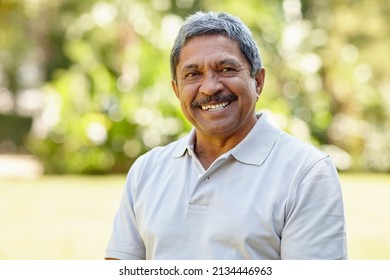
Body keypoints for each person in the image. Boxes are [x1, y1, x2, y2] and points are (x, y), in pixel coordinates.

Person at [105, 11, 347, 260]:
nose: (210, 86)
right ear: (177, 91)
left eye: (226, 69)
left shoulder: (306, 173)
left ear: (258, 81)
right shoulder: (147, 170)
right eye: (193, 74)